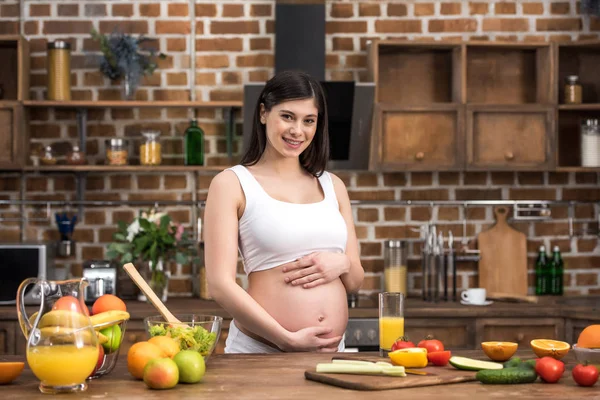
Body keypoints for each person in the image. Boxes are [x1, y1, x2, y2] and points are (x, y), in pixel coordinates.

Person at [204, 70, 364, 353]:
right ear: (264, 113)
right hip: (262, 352)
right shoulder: (232, 183)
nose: (297, 131)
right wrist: (285, 339)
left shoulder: (333, 185)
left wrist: (343, 264)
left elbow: (354, 281)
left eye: (309, 121)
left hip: (331, 355)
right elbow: (219, 284)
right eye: (287, 116)